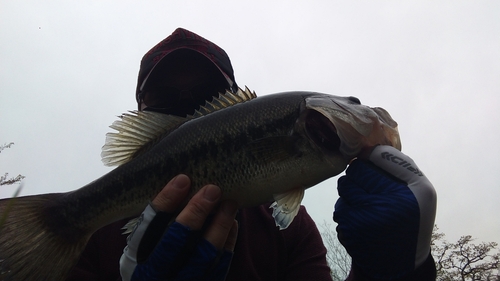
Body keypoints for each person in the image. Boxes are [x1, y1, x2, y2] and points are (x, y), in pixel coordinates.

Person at [67, 28, 437, 281]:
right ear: (142, 113)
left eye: (207, 98)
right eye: (166, 101)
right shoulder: (91, 237)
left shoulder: (289, 231)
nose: (189, 113)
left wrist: (396, 270)